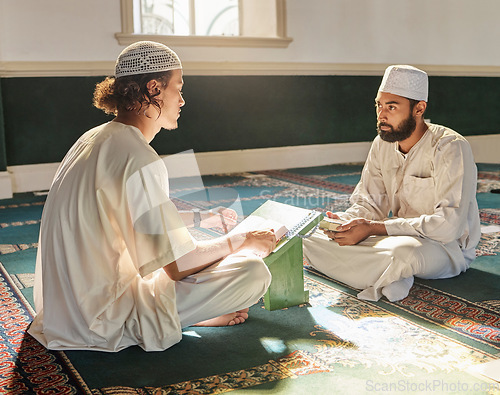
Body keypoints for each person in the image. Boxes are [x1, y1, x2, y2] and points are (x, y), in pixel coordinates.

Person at [28, 41, 276, 352]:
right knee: (251, 272)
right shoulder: (138, 156)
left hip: (63, 311)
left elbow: (132, 218)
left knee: (179, 251)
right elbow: (178, 265)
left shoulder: (93, 138)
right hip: (102, 318)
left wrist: (202, 217)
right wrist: (243, 241)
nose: (183, 100)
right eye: (179, 88)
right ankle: (168, 320)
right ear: (154, 88)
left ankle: (177, 315)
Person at [303, 65, 481, 302]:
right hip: (395, 235)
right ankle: (387, 275)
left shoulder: (450, 147)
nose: (381, 115)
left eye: (392, 107)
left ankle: (385, 271)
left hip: (445, 248)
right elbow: (369, 203)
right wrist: (344, 223)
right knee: (310, 236)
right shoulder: (382, 143)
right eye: (378, 105)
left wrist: (373, 228)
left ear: (419, 109)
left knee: (402, 254)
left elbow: (448, 227)